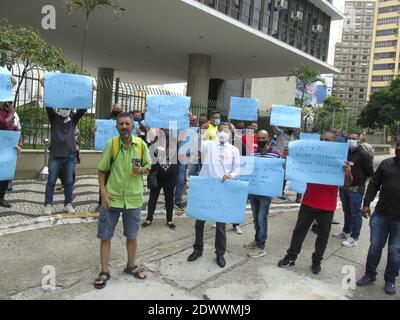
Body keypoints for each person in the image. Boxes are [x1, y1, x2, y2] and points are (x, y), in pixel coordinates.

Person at [277, 132, 353, 274]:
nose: (324, 142)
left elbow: (347, 184)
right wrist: (286, 156)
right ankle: (291, 257)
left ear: (334, 142)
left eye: (328, 140)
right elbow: (288, 170)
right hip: (308, 202)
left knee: (322, 237)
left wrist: (348, 173)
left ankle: (317, 261)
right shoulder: (311, 156)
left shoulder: (340, 160)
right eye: (322, 139)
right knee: (299, 232)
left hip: (327, 206)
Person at [94, 112, 151, 289]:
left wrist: (141, 170)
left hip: (133, 199)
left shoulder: (141, 145)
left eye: (127, 124)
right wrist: (103, 193)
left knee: (132, 235)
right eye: (121, 124)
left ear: (133, 126)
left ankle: (131, 265)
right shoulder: (111, 145)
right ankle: (104, 270)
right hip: (112, 198)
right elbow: (102, 170)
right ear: (117, 127)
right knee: (106, 235)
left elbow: (148, 167)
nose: (124, 127)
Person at [187, 122, 240, 268]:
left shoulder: (234, 150)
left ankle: (220, 253)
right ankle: (198, 249)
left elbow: (237, 170)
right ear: (217, 132)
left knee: (221, 224)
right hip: (205, 188)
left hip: (222, 189)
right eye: (221, 130)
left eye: (227, 130)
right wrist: (201, 129)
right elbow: (195, 143)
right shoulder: (208, 145)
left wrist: (231, 175)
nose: (223, 132)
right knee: (200, 222)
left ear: (231, 133)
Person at [356, 142, 400, 296]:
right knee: (375, 246)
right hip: (381, 214)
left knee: (395, 251)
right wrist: (366, 204)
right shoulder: (386, 164)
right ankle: (370, 274)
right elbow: (374, 184)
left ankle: (390, 280)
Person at [244, 130, 282, 258]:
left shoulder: (276, 154)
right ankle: (257, 239)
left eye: (263, 138)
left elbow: (281, 171)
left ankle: (261, 246)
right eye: (258, 138)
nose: (261, 140)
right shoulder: (253, 154)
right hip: (254, 191)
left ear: (268, 138)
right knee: (256, 218)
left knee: (262, 218)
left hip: (266, 193)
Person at [333, 133, 374, 247]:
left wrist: (359, 179)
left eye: (354, 139)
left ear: (359, 140)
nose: (351, 140)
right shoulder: (345, 152)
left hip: (356, 189)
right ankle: (346, 231)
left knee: (355, 213)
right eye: (349, 138)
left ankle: (354, 237)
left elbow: (370, 172)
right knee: (347, 210)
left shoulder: (363, 154)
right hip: (344, 187)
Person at [142, 129, 178, 229]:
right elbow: (149, 161)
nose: (163, 141)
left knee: (169, 199)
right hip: (157, 177)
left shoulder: (173, 148)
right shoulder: (153, 148)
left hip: (170, 178)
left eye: (165, 139)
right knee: (153, 198)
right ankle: (149, 219)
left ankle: (169, 220)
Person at [0, 100, 22, 208]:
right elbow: (4, 123)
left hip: (6, 149)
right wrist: (11, 113)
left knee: (5, 175)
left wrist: (19, 143)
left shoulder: (7, 113)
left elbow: (14, 128)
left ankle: (1, 197)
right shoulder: (6, 114)